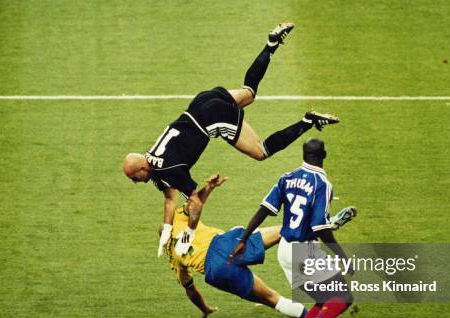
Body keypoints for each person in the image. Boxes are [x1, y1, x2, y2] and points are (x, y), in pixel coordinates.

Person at [123, 22, 339, 257]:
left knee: (261, 151)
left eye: (135, 177)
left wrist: (188, 235)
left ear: (143, 167)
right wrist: (166, 230)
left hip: (211, 119)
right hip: (201, 102)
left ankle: (307, 122)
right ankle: (271, 44)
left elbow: (194, 203)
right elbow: (169, 197)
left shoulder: (168, 170)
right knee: (249, 92)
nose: (135, 181)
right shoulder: (153, 160)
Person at [231, 138, 356, 318]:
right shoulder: (322, 183)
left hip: (285, 249)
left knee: (325, 299)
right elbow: (319, 226)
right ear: (324, 155)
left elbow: (264, 209)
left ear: (303, 154)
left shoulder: (287, 177)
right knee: (342, 297)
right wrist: (341, 256)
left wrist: (244, 238)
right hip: (304, 251)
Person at [163, 174, 328, 318]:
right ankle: (317, 229)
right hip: (224, 244)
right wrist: (209, 187)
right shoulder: (176, 219)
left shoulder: (173, 258)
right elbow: (195, 204)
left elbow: (190, 290)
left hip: (216, 271)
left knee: (273, 299)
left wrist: (205, 309)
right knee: (283, 231)